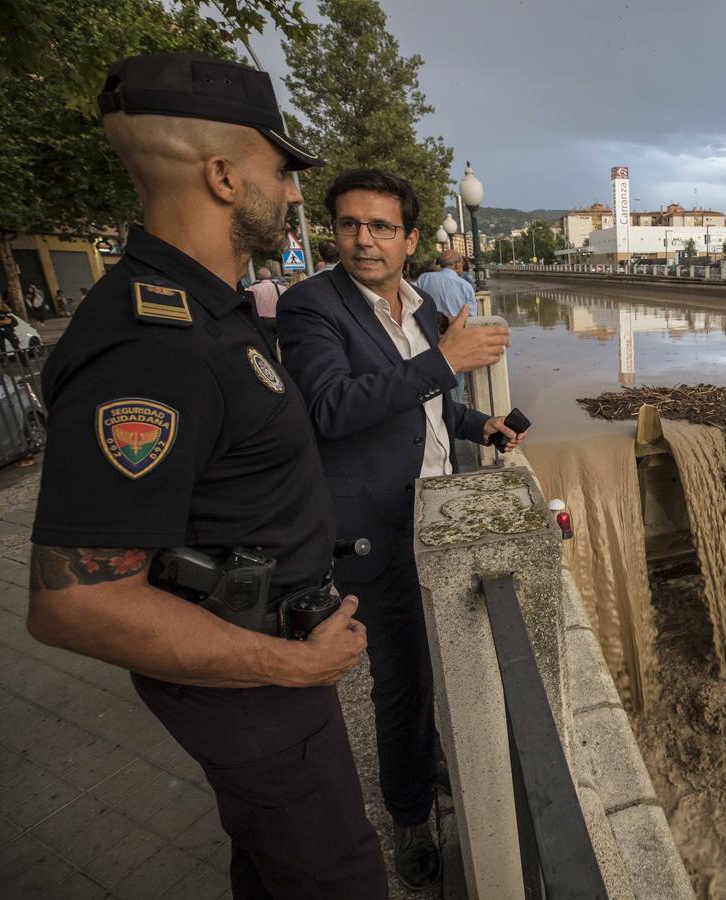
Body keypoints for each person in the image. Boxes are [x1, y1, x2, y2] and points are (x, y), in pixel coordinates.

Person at [25, 52, 387, 899]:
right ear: (224, 176)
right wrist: (290, 667)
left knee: (270, 866)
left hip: (263, 668)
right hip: (256, 686)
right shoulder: (150, 346)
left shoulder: (205, 310)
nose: (296, 193)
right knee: (336, 878)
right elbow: (74, 601)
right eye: (281, 170)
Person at [277, 168, 522, 891]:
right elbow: (331, 406)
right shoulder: (310, 308)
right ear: (333, 232)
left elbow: (433, 411)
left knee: (443, 656)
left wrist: (486, 423)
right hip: (373, 529)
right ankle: (411, 815)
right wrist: (444, 359)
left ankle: (428, 760)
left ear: (411, 239)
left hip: (438, 517)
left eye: (382, 226)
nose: (364, 240)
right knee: (403, 681)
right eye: (350, 224)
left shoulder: (417, 310)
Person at [416, 248, 476, 317]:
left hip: (428, 325)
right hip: (456, 326)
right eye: (462, 263)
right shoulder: (465, 286)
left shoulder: (424, 278)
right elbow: (471, 314)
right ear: (456, 265)